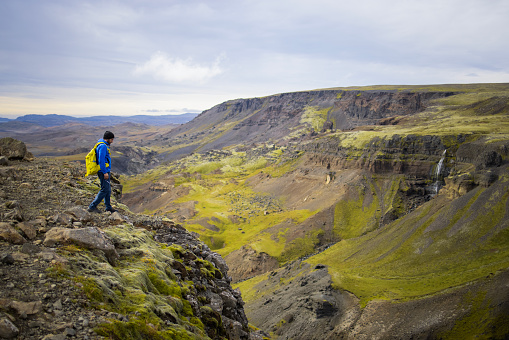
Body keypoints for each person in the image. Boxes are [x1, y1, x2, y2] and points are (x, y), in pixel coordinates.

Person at [88, 131, 116, 213]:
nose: (112, 141)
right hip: (103, 171)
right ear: (108, 139)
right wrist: (104, 172)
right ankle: (92, 207)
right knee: (104, 189)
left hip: (105, 170)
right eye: (111, 139)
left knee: (108, 190)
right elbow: (101, 160)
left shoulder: (102, 145)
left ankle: (108, 207)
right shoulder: (103, 146)